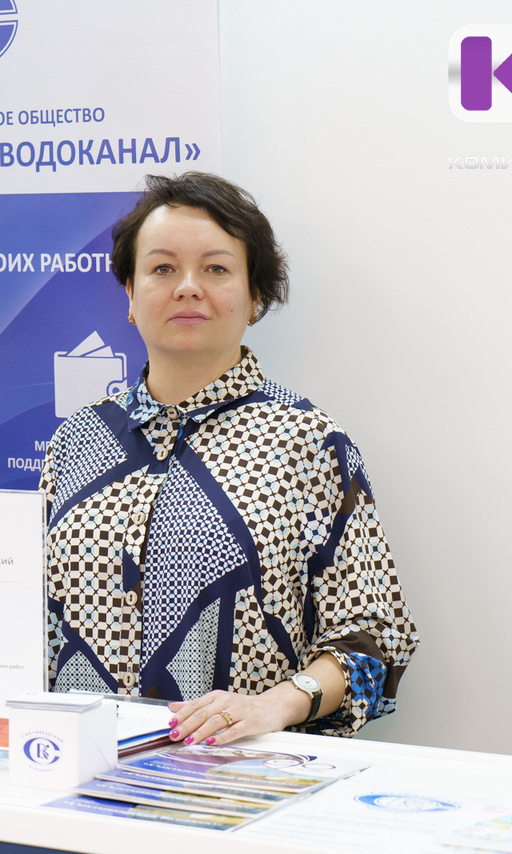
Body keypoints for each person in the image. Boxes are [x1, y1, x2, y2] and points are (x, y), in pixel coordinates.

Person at [41, 172, 417, 747]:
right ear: (130, 295)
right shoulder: (77, 440)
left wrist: (273, 706)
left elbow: (374, 642)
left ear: (255, 296)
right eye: (162, 269)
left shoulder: (308, 441)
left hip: (236, 772)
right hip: (74, 766)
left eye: (216, 269)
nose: (187, 288)